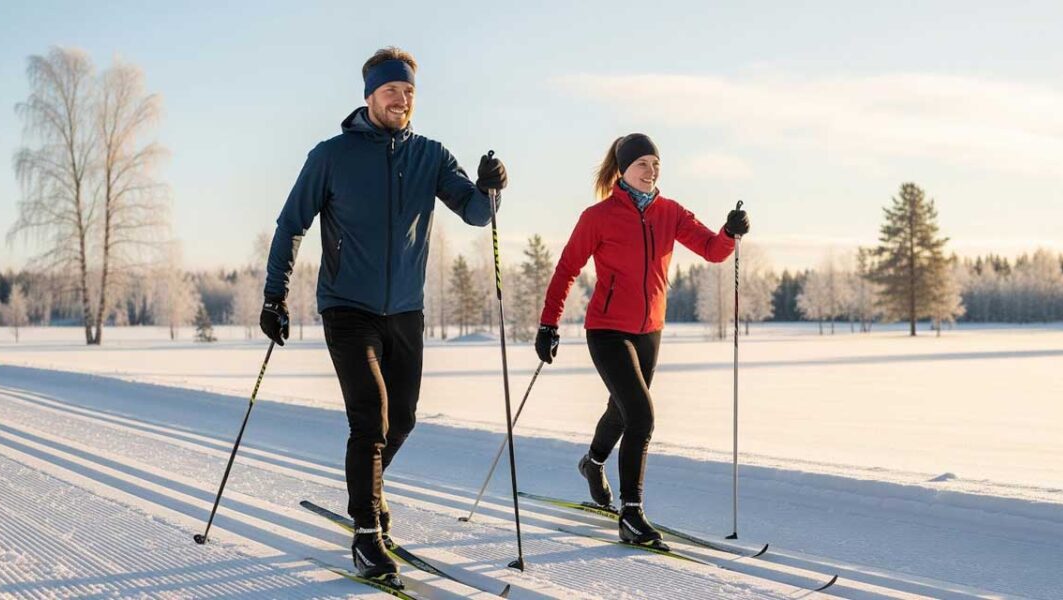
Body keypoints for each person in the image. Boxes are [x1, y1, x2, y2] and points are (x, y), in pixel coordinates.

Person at [259, 47, 508, 582]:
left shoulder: (431, 156)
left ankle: (366, 493)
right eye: (392, 90)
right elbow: (291, 224)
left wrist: (492, 186)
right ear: (369, 95)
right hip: (347, 306)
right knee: (369, 415)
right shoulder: (331, 155)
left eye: (409, 92)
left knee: (404, 419)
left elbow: (474, 211)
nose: (402, 99)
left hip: (405, 311)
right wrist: (274, 296)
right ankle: (367, 533)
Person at [535, 133, 748, 548]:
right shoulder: (598, 216)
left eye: (655, 164)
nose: (651, 171)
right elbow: (566, 269)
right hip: (607, 329)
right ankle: (630, 514)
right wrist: (548, 324)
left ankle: (592, 462)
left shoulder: (670, 212)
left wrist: (729, 231)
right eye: (642, 164)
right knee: (642, 416)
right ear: (623, 170)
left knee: (622, 409)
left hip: (650, 330)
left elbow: (712, 250)